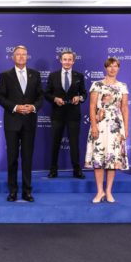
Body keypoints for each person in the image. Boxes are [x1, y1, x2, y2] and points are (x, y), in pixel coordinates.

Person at [0, 45, 43, 202]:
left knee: (27, 158)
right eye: (18, 54)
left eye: (24, 54)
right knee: (12, 158)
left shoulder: (35, 74)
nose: (21, 57)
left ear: (27, 57)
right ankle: (13, 191)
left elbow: (40, 96)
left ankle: (27, 191)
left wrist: (33, 107)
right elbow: (0, 97)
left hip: (29, 121)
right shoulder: (5, 75)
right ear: (13, 57)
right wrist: (15, 107)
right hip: (12, 121)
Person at [84, 57, 129, 204]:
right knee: (99, 158)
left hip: (116, 126)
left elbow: (124, 108)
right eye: (110, 66)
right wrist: (94, 126)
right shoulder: (97, 85)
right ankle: (100, 191)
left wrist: (125, 129)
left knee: (112, 159)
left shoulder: (122, 86)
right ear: (105, 68)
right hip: (100, 124)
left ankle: (108, 191)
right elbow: (92, 107)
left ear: (118, 68)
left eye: (115, 66)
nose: (112, 69)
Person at [45, 50, 87, 179]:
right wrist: (55, 99)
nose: (67, 62)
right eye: (65, 59)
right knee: (55, 143)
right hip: (57, 115)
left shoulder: (79, 76)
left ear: (73, 61)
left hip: (73, 115)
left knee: (74, 143)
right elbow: (47, 93)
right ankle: (53, 170)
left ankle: (77, 170)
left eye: (70, 59)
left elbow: (84, 94)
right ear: (60, 60)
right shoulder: (53, 76)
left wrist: (79, 98)